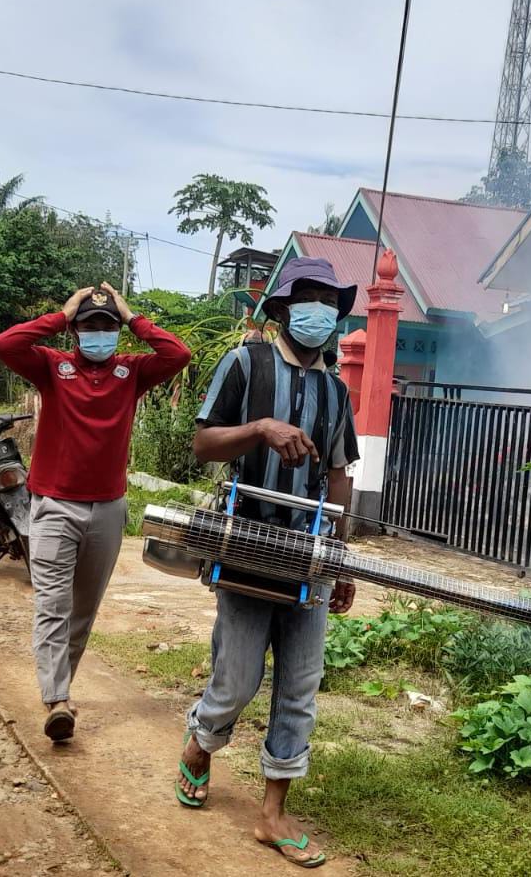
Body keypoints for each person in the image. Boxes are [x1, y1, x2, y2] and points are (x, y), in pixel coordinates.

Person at [179, 256, 359, 869]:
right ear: (282, 308)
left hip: (308, 554)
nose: (321, 311)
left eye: (329, 301)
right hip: (246, 542)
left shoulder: (337, 390)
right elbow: (203, 445)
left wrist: (340, 555)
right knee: (236, 680)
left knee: (300, 686)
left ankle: (272, 815)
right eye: (308, 297)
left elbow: (338, 473)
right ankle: (202, 743)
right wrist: (260, 428)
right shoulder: (245, 364)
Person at [0, 283, 191, 743]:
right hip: (55, 505)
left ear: (117, 332)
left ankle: (62, 687)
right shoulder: (51, 366)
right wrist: (61, 316)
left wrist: (131, 315)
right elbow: (5, 345)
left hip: (108, 509)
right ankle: (56, 698)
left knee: (83, 609)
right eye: (89, 326)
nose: (99, 333)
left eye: (107, 326)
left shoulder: (132, 371)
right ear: (77, 331)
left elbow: (178, 354)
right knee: (52, 603)